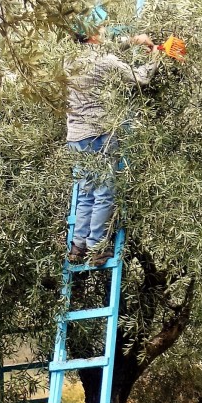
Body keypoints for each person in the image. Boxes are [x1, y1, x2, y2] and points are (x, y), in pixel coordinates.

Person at [65, 21, 159, 266]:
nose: (104, 31)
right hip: (99, 134)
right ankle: (98, 248)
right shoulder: (104, 61)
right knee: (104, 192)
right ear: (94, 35)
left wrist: (133, 41)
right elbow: (140, 79)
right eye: (101, 29)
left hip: (75, 135)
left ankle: (77, 247)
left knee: (86, 193)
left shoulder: (69, 60)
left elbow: (111, 49)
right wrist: (156, 57)